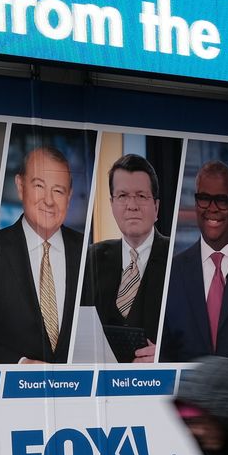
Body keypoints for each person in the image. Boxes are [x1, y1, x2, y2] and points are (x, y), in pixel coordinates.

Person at [0, 146, 83, 364]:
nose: (49, 201)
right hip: (13, 384)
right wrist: (20, 364)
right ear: (20, 186)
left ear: (69, 197)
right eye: (39, 186)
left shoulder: (87, 252)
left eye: (58, 191)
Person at [84, 153, 170, 364]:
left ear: (156, 207)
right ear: (112, 204)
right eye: (122, 196)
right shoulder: (90, 259)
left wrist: (167, 358)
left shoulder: (178, 259)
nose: (132, 205)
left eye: (141, 196)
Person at [162, 161, 228, 361]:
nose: (212, 208)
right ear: (195, 204)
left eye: (221, 200)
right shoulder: (173, 271)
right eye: (204, 199)